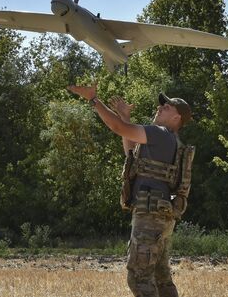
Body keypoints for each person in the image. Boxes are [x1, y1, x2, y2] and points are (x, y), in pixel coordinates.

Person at [67, 83, 192, 297]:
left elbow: (117, 128)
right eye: (161, 105)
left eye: (167, 107)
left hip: (150, 216)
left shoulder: (161, 134)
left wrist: (94, 100)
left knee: (139, 278)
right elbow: (131, 155)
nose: (160, 108)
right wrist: (125, 117)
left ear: (176, 118)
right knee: (161, 279)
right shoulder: (169, 140)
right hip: (160, 215)